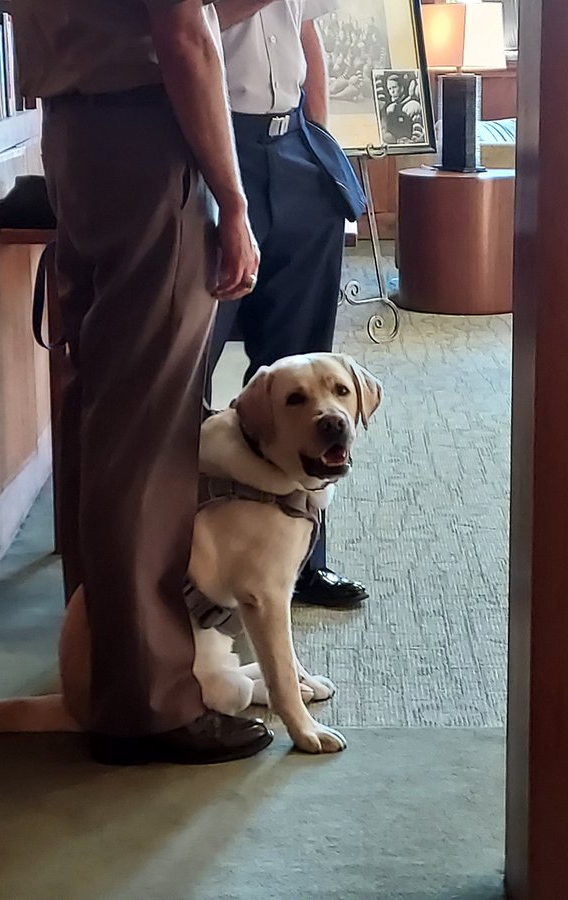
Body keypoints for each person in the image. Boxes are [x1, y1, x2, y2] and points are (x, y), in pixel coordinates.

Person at [13, 0, 272, 767]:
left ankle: (98, 652)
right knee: (147, 432)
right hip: (144, 136)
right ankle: (147, 701)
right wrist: (234, 198)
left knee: (99, 410)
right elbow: (183, 31)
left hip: (72, 133)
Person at [208, 0, 370, 610]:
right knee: (188, 374)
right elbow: (186, 25)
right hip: (212, 143)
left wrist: (318, 147)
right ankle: (189, 558)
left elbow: (304, 31)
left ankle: (303, 561)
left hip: (295, 142)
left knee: (305, 371)